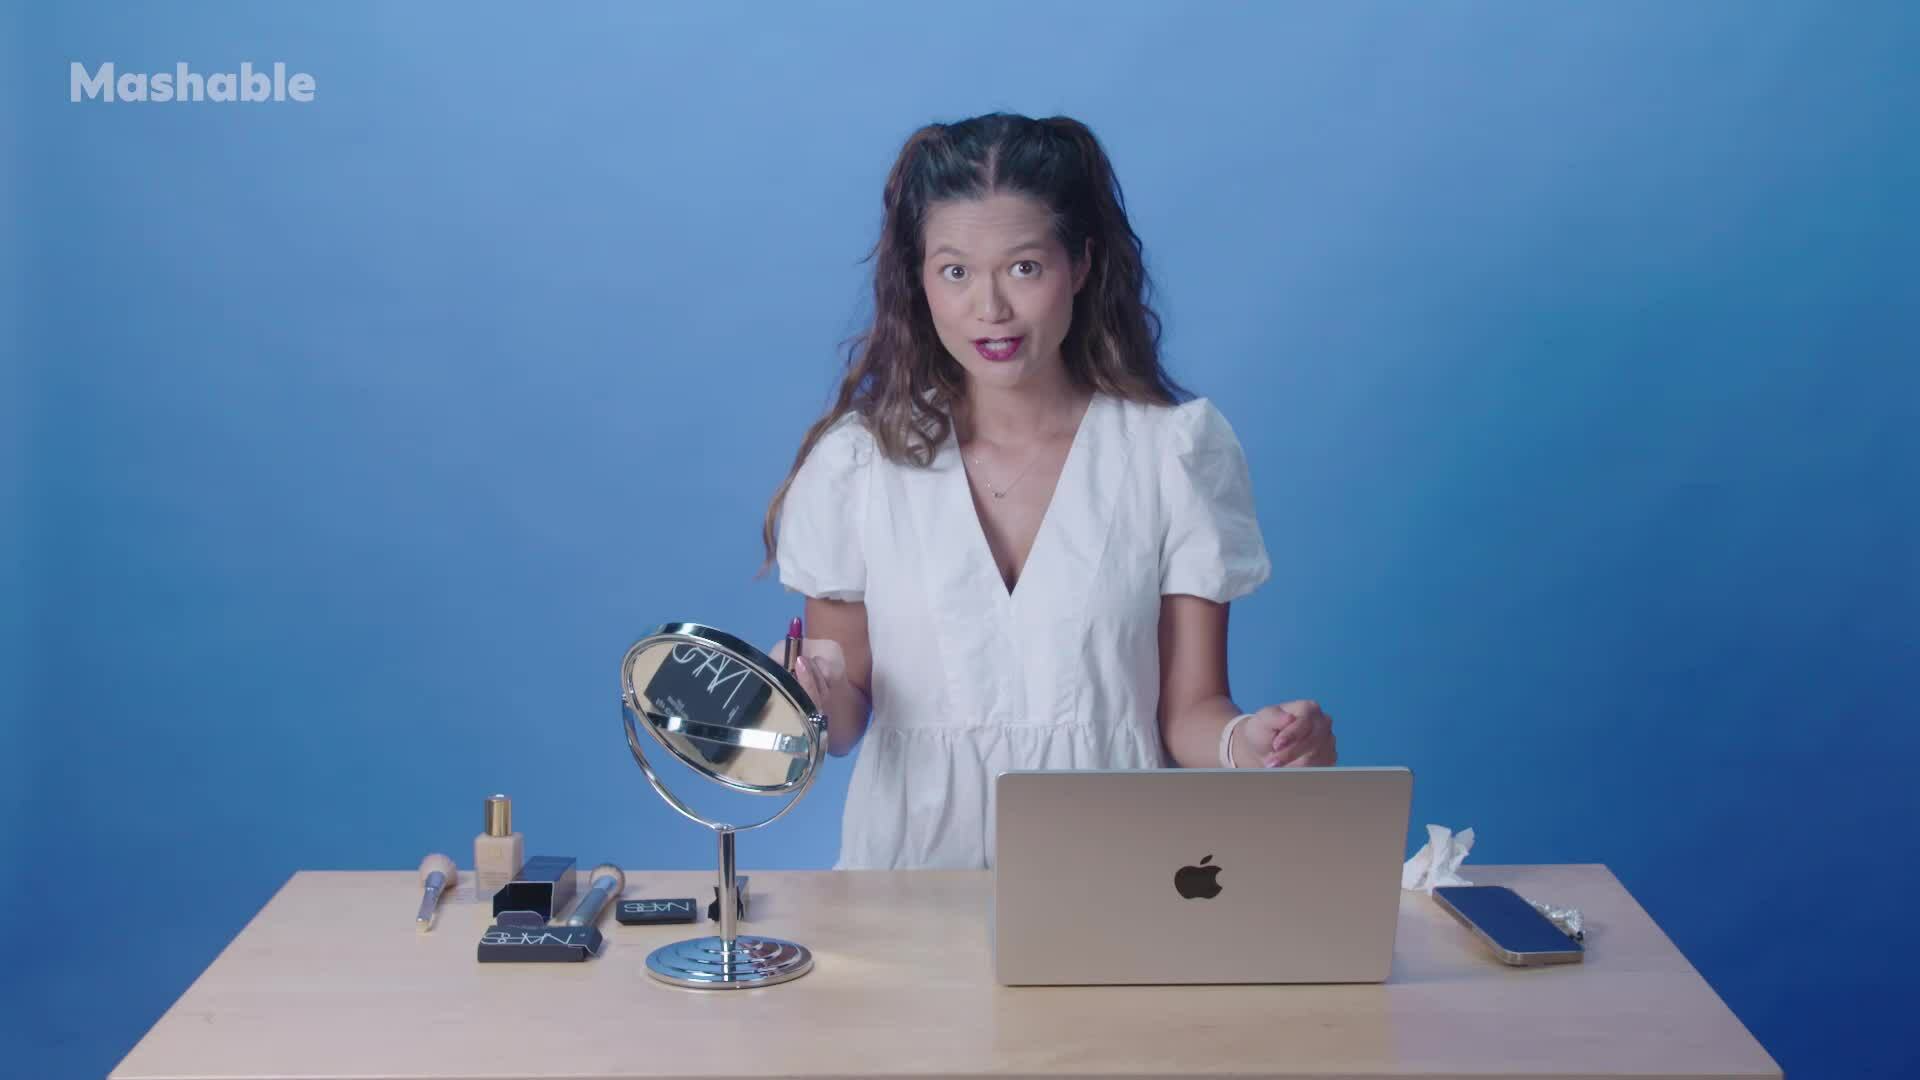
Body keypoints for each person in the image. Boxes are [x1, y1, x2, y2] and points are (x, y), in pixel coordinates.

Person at [760, 113, 1336, 870]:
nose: (989, 308)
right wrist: (806, 692)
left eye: (1024, 267)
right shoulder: (860, 466)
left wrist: (1253, 743)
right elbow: (846, 716)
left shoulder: (1171, 452)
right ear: (919, 277)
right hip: (906, 878)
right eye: (955, 271)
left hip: (1111, 874)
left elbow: (1189, 714)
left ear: (1083, 265)